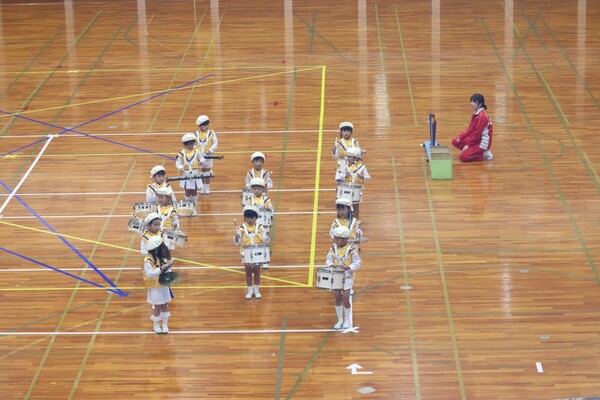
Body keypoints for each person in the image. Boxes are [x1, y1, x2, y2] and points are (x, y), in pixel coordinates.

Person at [326, 226, 361, 330]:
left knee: (345, 299)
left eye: (339, 239)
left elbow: (357, 263)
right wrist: (331, 265)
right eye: (336, 239)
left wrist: (348, 267)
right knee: (337, 297)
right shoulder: (333, 249)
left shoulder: (351, 250)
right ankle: (340, 320)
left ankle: (347, 320)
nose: (336, 241)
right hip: (336, 276)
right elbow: (328, 260)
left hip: (347, 277)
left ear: (345, 239)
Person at [233, 205, 269, 300]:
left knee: (257, 271)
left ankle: (256, 290)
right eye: (248, 218)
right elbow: (238, 242)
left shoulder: (260, 227)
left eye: (252, 218)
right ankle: (250, 290)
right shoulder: (242, 228)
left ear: (256, 218)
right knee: (248, 272)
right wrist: (236, 238)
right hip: (246, 253)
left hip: (257, 253)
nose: (250, 220)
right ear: (245, 218)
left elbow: (265, 240)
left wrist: (267, 236)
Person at [143, 235, 174, 334]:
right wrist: (160, 269)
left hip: (163, 285)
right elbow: (150, 274)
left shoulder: (162, 257)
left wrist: (168, 270)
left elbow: (167, 268)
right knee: (157, 307)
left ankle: (165, 325)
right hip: (155, 287)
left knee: (164, 305)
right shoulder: (148, 260)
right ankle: (156, 325)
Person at [451, 93, 494, 162]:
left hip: (482, 143)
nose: (471, 103)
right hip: (476, 140)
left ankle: (483, 153)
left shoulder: (482, 116)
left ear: (480, 104)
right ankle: (473, 151)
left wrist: (468, 145)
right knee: (455, 141)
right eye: (471, 101)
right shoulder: (475, 113)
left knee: (463, 157)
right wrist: (460, 137)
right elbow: (470, 128)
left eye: (474, 102)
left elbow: (477, 133)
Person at [335, 146, 371, 218]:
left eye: (350, 157)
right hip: (344, 187)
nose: (347, 158)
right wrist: (345, 176)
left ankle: (355, 222)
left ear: (355, 158)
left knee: (355, 206)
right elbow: (338, 177)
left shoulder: (361, 167)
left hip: (356, 188)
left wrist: (362, 177)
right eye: (347, 156)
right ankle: (341, 221)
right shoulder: (342, 164)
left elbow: (368, 177)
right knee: (342, 206)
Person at [175, 133, 205, 215]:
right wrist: (180, 168)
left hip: (195, 174)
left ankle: (194, 209)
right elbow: (178, 163)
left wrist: (201, 162)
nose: (190, 145)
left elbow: (202, 158)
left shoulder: (197, 151)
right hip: (186, 174)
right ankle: (188, 209)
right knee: (187, 191)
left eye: (192, 143)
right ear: (185, 144)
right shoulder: (181, 154)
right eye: (188, 144)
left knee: (194, 191)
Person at [247, 177, 273, 269]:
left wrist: (270, 223)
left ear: (263, 189)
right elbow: (246, 211)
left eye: (259, 189)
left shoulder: (266, 200)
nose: (257, 191)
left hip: (264, 225)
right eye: (254, 189)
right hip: (254, 225)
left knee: (265, 241)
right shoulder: (250, 200)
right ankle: (257, 258)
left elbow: (271, 212)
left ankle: (265, 260)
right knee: (255, 240)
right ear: (252, 189)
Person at [193, 115, 218, 195]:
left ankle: (207, 186)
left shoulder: (211, 133)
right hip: (199, 158)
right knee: (201, 172)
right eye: (204, 125)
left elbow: (215, 143)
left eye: (207, 125)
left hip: (208, 157)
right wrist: (198, 154)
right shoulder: (195, 135)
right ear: (200, 126)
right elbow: (193, 145)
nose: (207, 127)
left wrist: (210, 151)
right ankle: (202, 186)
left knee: (207, 172)